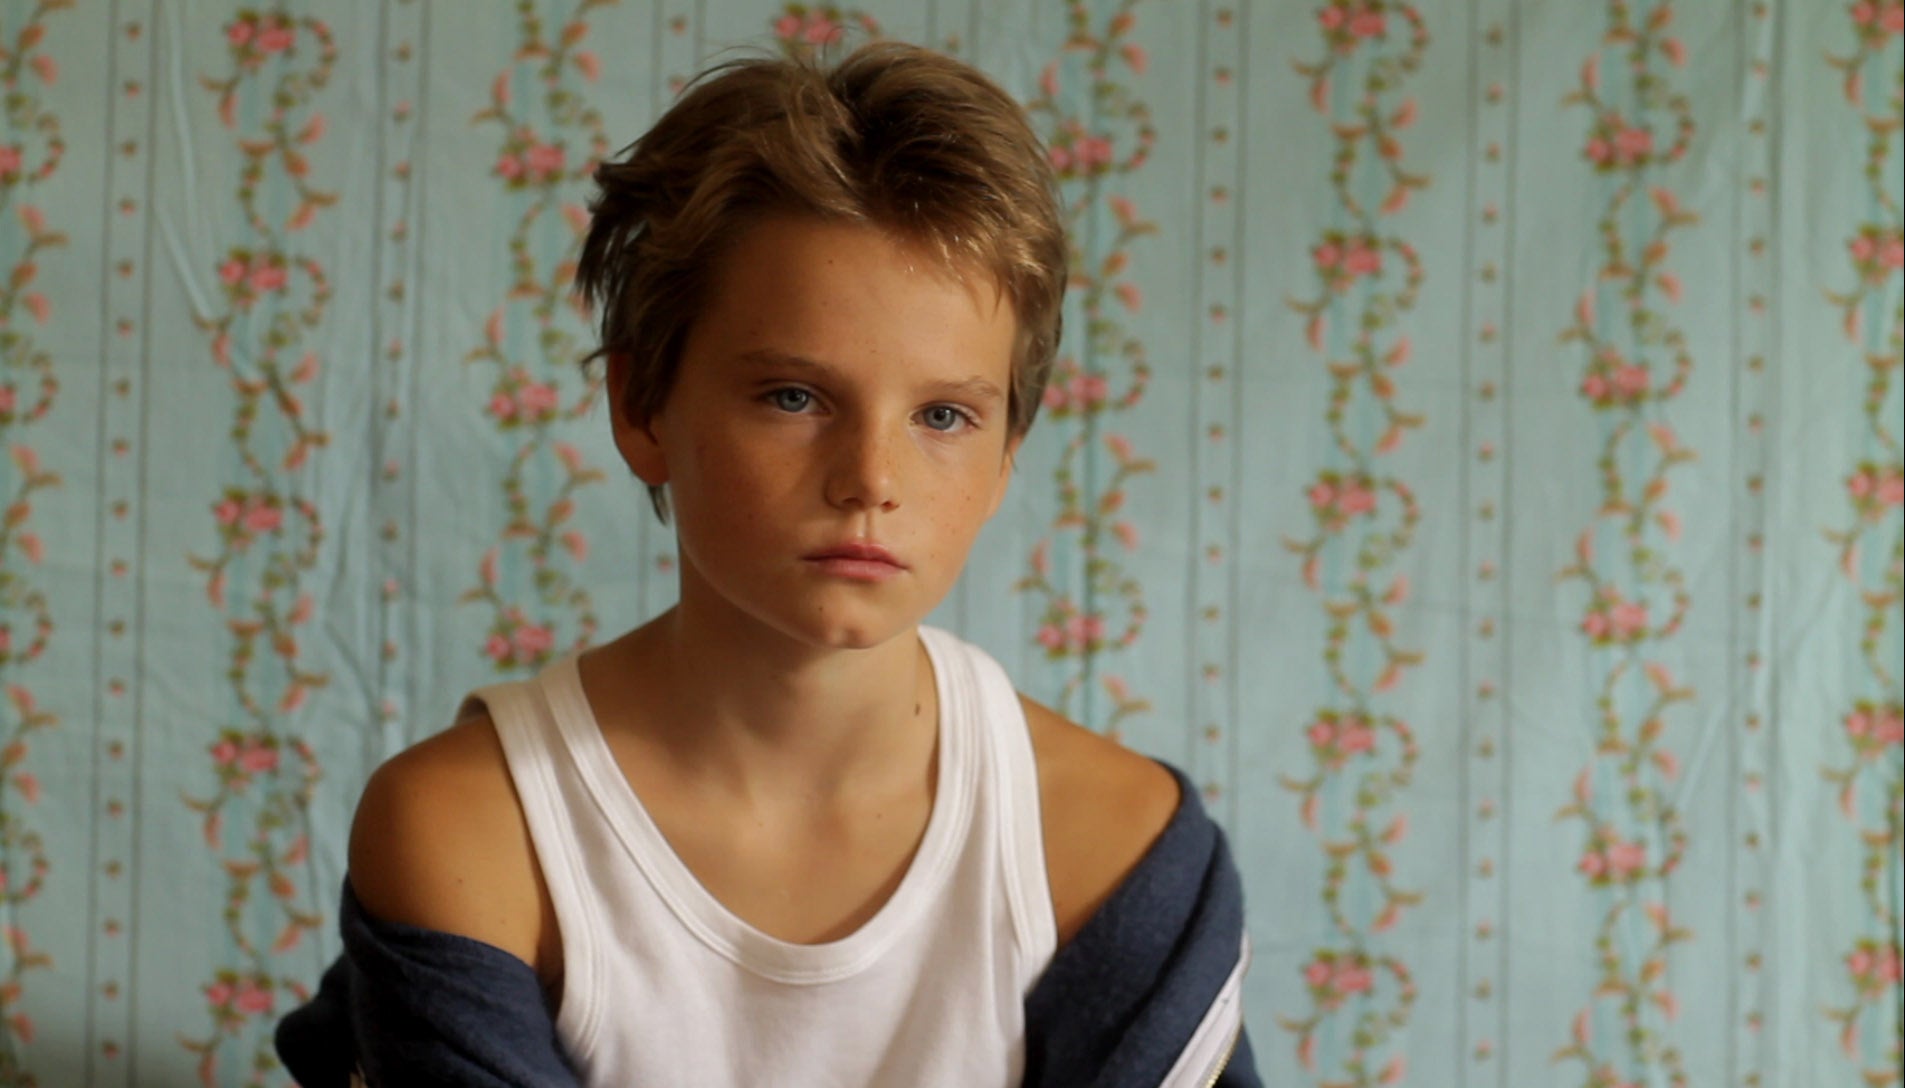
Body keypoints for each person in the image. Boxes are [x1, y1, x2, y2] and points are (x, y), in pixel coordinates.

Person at [277, 41, 1259, 1087]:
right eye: (794, 397)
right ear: (641, 405)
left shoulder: (1115, 849)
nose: (871, 477)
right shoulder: (475, 833)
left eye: (942, 415)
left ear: (1008, 449)